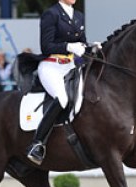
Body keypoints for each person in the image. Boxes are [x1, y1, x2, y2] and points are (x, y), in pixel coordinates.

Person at [26, 0, 88, 165]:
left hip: (71, 66)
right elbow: (46, 46)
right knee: (62, 98)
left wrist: (91, 48)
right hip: (51, 66)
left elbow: (82, 43)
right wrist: (68, 46)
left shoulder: (79, 16)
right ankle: (37, 143)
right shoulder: (51, 14)